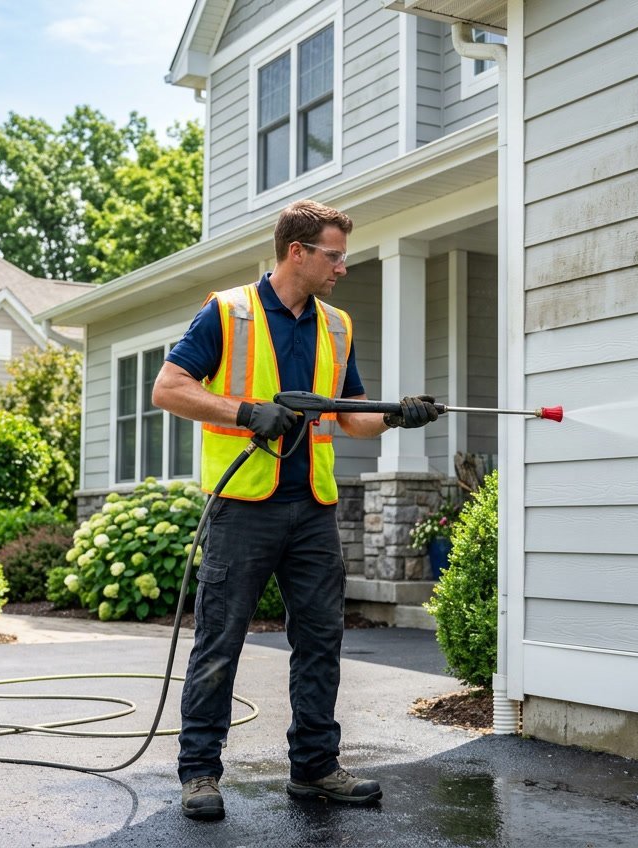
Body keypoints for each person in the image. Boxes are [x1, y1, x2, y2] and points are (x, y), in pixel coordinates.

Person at [151, 199, 438, 821]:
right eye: (334, 255)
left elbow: (352, 417)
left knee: (321, 642)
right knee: (219, 642)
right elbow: (169, 388)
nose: (342, 267)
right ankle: (199, 772)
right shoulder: (228, 312)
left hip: (312, 508)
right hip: (242, 506)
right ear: (297, 252)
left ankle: (314, 769)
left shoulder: (336, 325)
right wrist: (247, 411)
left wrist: (398, 415)